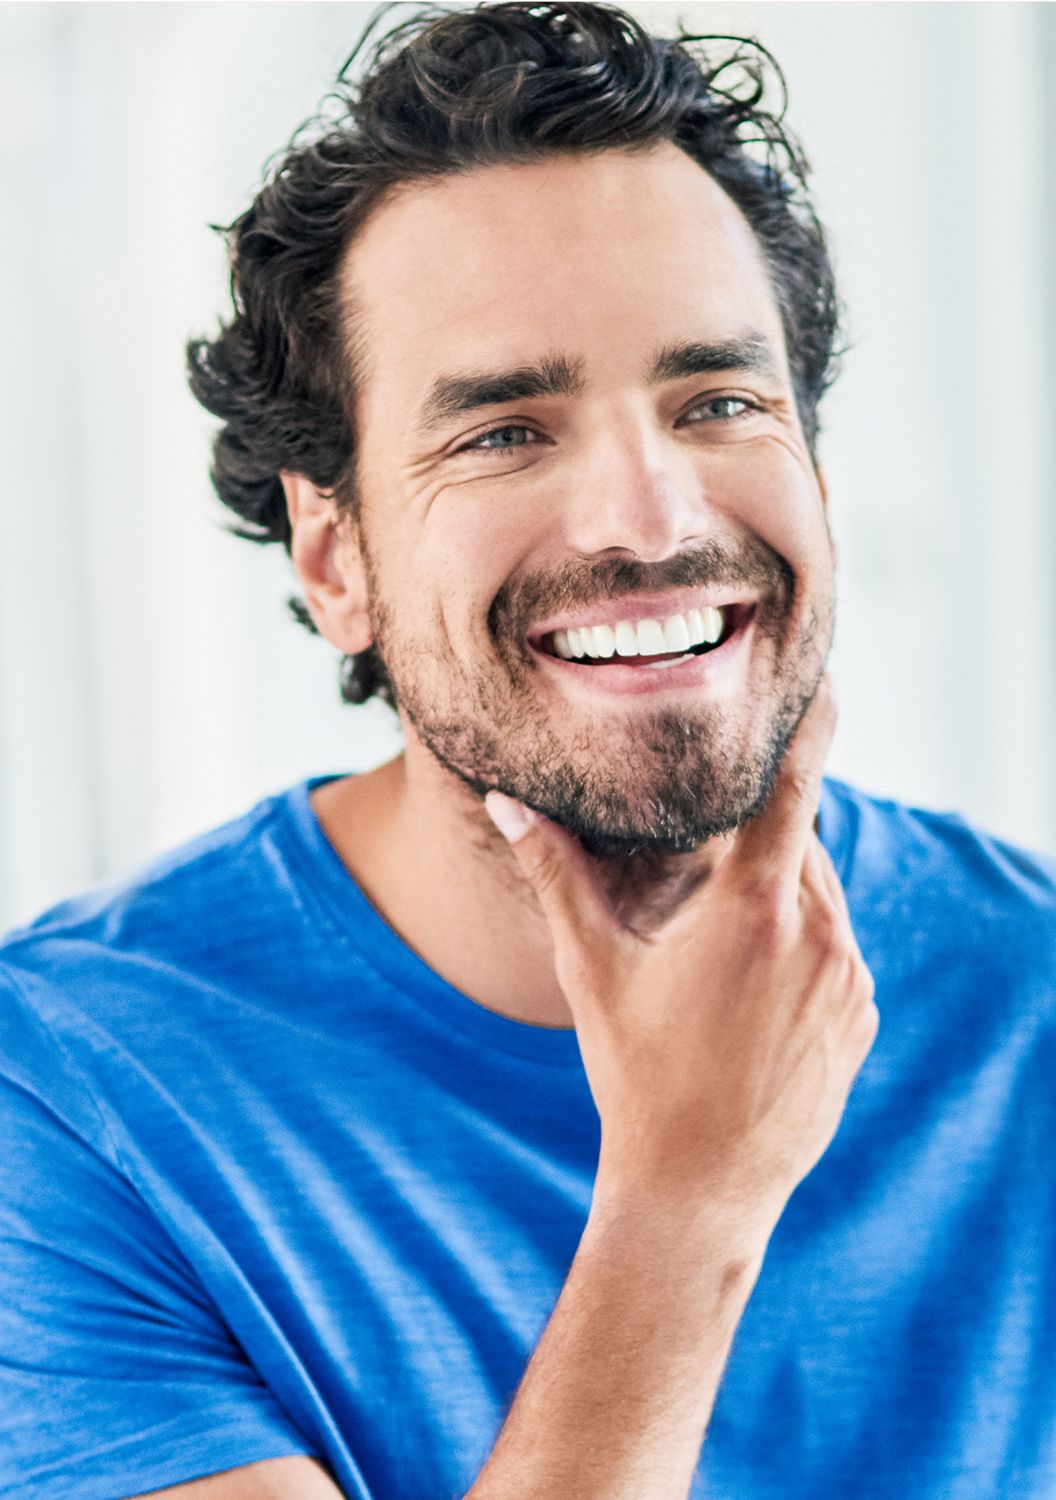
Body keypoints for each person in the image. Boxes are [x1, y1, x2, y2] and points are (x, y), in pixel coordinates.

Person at [1, 3, 1053, 1496]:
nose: (652, 518)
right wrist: (683, 1204)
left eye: (721, 402)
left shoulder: (1035, 995)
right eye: (504, 431)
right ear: (335, 555)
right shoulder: (67, 1102)